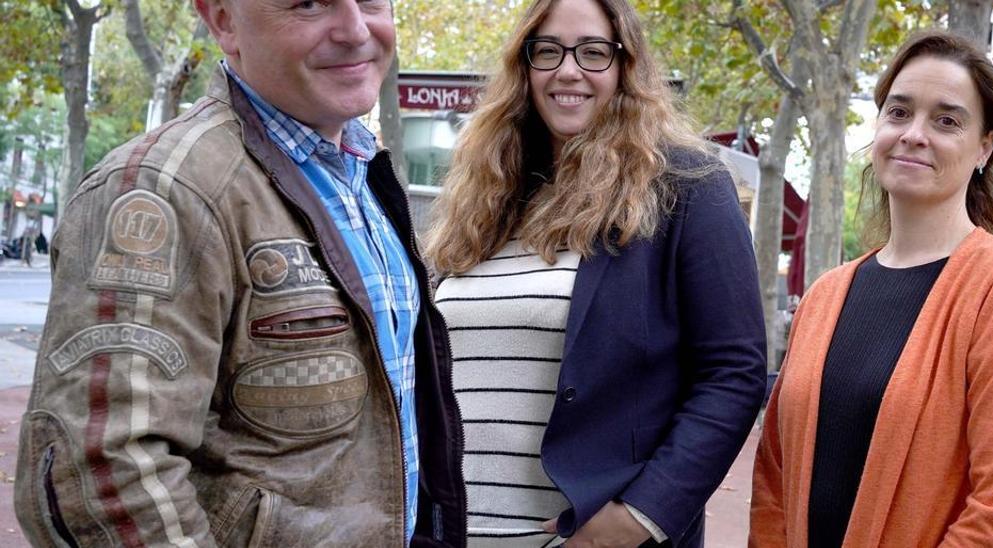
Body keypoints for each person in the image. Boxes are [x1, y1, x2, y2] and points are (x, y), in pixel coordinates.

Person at [14, 1, 466, 546]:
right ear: (224, 20)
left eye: (371, 0)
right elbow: (101, 476)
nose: (355, 29)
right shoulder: (162, 190)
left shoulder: (362, 173)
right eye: (308, 3)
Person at [423, 0, 767, 546]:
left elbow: (734, 374)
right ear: (525, 66)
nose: (568, 70)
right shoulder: (487, 198)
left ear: (625, 67)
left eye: (593, 52)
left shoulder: (686, 186)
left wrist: (638, 518)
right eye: (549, 51)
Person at [749, 30, 993, 547]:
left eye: (946, 120)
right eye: (899, 113)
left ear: (984, 148)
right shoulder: (825, 295)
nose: (913, 134)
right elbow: (774, 479)